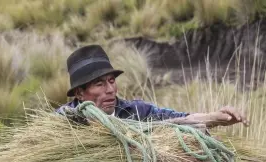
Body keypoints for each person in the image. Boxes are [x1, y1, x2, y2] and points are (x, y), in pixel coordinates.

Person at [56, 44, 249, 128]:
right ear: (80, 93)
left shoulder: (136, 111)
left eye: (112, 81)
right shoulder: (62, 122)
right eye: (99, 83)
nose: (110, 90)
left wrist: (216, 117)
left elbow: (180, 119)